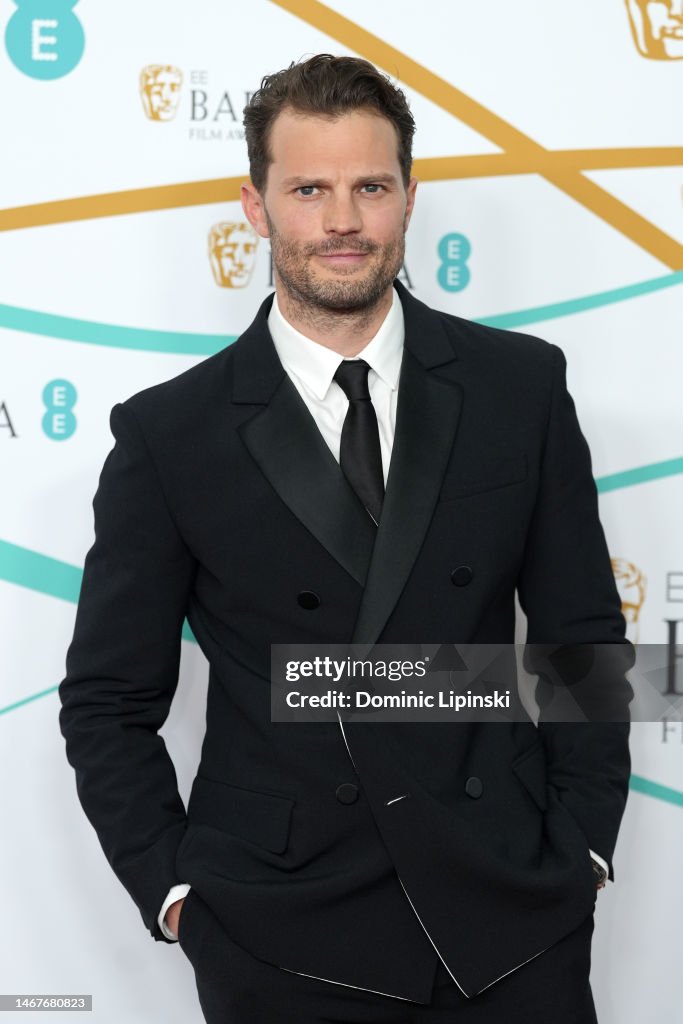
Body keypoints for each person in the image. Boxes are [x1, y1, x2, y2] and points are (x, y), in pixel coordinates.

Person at [59, 54, 632, 1023]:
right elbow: (107, 701)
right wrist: (179, 895)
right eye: (308, 189)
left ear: (410, 198)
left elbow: (579, 637)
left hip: (509, 917)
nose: (340, 221)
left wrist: (578, 843)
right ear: (255, 205)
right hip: (280, 934)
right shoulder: (171, 434)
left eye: (368, 187)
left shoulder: (517, 389)